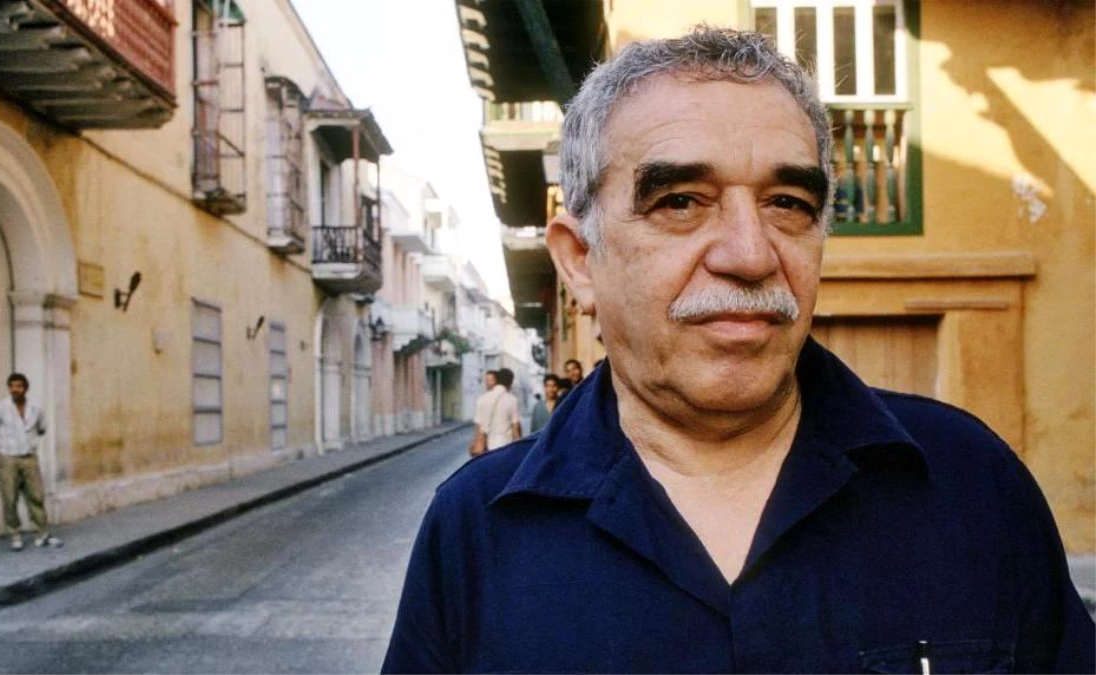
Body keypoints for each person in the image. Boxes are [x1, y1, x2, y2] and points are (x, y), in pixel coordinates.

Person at [383, 26, 1095, 672]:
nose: (751, 255)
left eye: (788, 203)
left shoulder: (973, 485)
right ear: (579, 260)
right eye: (681, 201)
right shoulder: (475, 531)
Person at [0, 373, 62, 551]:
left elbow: (42, 429)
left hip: (29, 457)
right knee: (9, 497)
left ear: (26, 388)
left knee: (36, 495)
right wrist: (1, 444)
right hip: (7, 458)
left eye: (19, 386)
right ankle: (15, 535)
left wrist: (30, 442)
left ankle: (42, 533)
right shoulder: (0, 408)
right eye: (12, 386)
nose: (15, 390)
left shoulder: (36, 407)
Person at [469, 368, 521, 456]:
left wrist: (478, 443)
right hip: (505, 447)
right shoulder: (512, 400)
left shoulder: (482, 399)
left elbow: (478, 427)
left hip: (486, 450)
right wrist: (519, 451)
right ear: (510, 382)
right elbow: (515, 429)